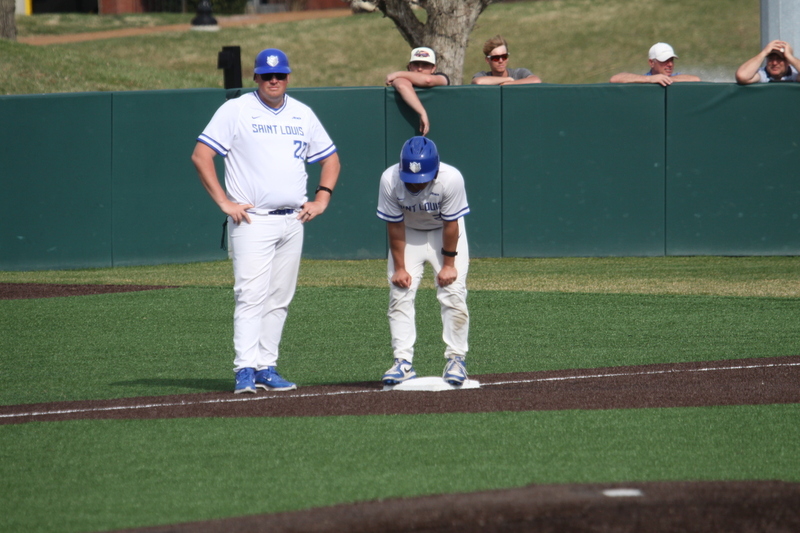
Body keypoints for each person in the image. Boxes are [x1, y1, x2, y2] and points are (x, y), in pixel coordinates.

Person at [191, 48, 341, 394]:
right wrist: (224, 202)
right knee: (250, 295)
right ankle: (244, 368)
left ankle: (265, 367)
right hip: (253, 220)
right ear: (255, 77)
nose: (274, 80)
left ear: (288, 77)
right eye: (267, 75)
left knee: (279, 298)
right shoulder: (236, 109)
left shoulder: (302, 114)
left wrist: (322, 198)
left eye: (281, 75)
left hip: (292, 220)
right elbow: (201, 156)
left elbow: (331, 159)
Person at [376, 136, 471, 386]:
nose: (417, 185)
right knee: (400, 293)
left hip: (444, 233)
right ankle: (402, 362)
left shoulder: (451, 178)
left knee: (453, 293)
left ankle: (456, 359)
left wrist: (449, 264)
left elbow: (452, 225)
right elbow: (394, 226)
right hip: (409, 234)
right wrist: (400, 268)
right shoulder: (390, 179)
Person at [385, 47, 450, 136]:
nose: (420, 69)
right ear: (409, 66)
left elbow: (428, 80)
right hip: (405, 129)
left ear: (433, 68)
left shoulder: (441, 77)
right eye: (416, 64)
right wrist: (422, 113)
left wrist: (398, 73)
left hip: (444, 127)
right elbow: (402, 86)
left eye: (425, 65)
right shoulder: (401, 79)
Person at [610, 42, 700, 85]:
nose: (670, 64)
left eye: (671, 60)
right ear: (651, 63)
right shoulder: (643, 79)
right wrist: (649, 79)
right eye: (664, 60)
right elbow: (615, 79)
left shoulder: (675, 77)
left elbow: (696, 79)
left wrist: (666, 79)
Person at [472, 35, 542, 85]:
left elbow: (536, 80)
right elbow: (478, 82)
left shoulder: (519, 73)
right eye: (496, 58)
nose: (501, 61)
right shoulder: (483, 75)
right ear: (487, 60)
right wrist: (508, 79)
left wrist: (509, 84)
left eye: (504, 56)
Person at [735, 40, 800, 84]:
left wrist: (789, 56)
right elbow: (742, 76)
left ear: (788, 61)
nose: (774, 63)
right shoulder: (763, 74)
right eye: (771, 59)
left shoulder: (794, 73)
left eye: (779, 59)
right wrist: (764, 53)